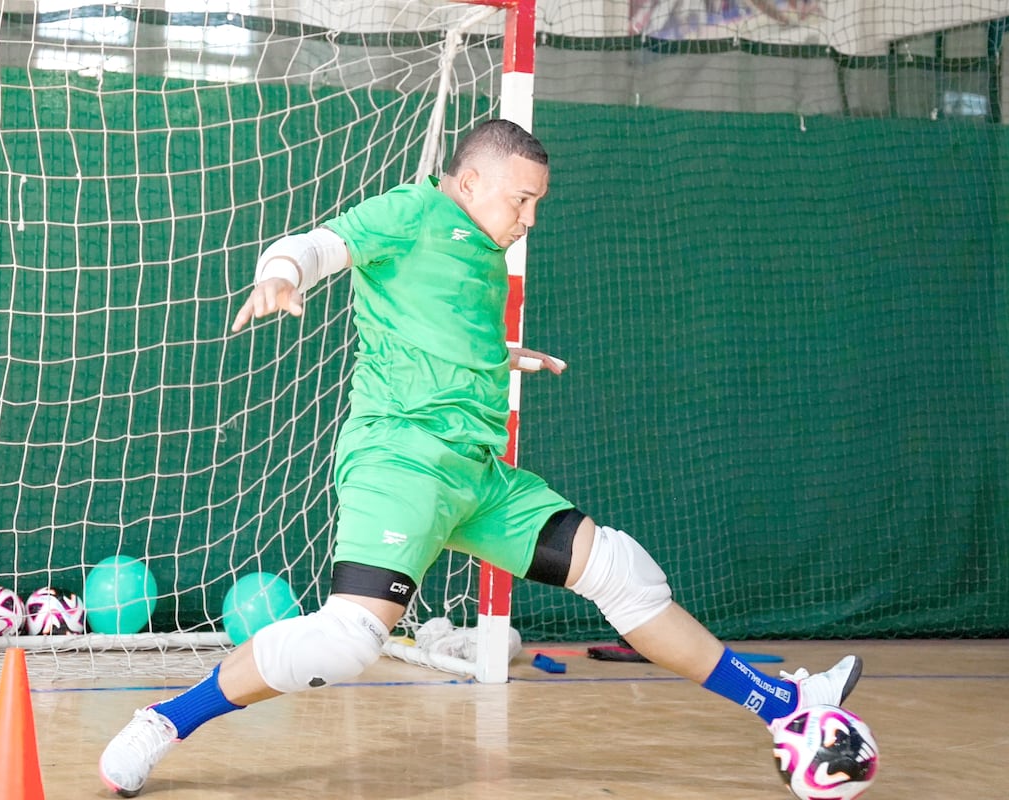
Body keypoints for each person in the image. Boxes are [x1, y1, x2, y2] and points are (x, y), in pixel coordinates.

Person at [98, 119, 862, 797]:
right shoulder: (413, 211)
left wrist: (500, 355)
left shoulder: (485, 249)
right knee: (346, 640)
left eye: (537, 205)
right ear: (468, 183)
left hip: (478, 477)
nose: (529, 219)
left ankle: (788, 706)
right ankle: (164, 721)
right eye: (520, 200)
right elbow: (317, 246)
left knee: (621, 571)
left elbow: (437, 323)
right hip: (403, 461)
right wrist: (281, 275)